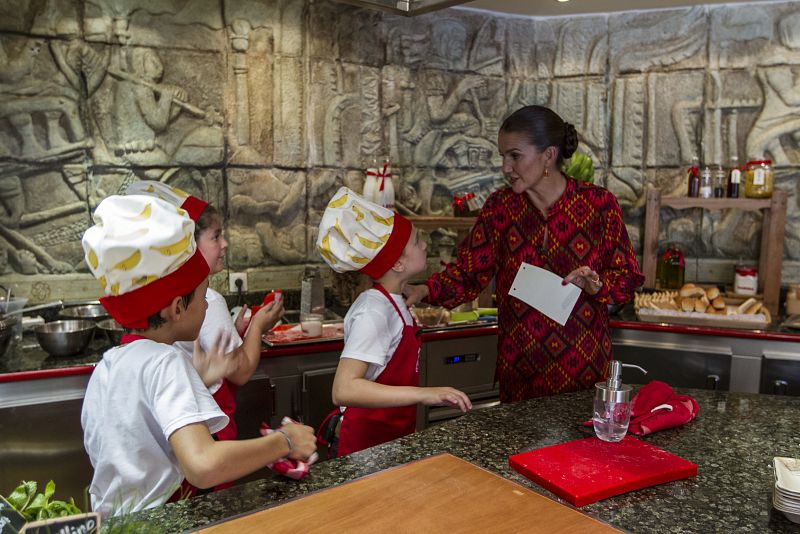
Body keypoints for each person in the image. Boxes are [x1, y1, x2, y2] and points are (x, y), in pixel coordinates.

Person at [80, 193, 316, 517]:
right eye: (203, 296)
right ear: (177, 307)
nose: (207, 305)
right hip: (161, 521)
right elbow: (202, 465)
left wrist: (200, 380)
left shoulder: (109, 365)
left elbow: (137, 435)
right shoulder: (167, 362)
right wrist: (284, 442)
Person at [404, 105, 645, 402]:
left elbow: (626, 279)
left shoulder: (599, 205)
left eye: (515, 156)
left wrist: (597, 285)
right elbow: (469, 272)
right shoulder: (500, 208)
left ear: (548, 155)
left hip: (582, 375)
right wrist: (425, 288)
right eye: (503, 156)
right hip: (518, 374)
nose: (506, 167)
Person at [316, 187, 471, 457]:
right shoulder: (374, 310)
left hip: (388, 444)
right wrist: (424, 394)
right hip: (363, 451)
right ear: (398, 264)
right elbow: (343, 389)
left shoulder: (396, 301)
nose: (424, 244)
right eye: (415, 241)